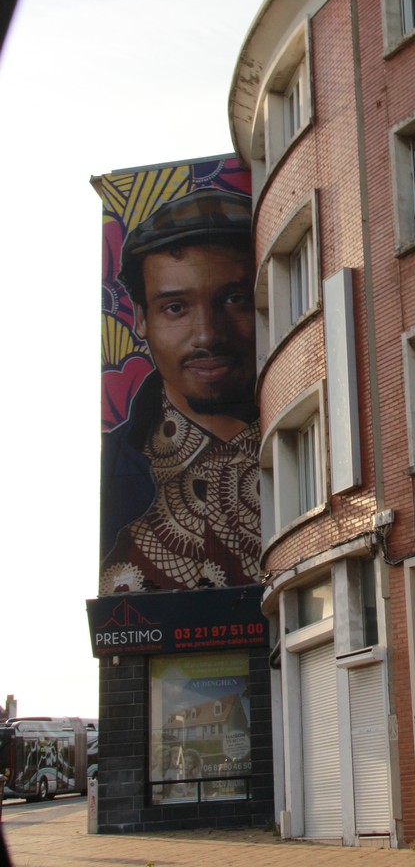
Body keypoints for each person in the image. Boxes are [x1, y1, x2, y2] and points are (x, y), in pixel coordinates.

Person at [99, 189, 260, 594]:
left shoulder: (318, 433)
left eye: (235, 299)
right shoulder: (122, 461)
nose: (207, 334)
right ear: (141, 319)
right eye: (175, 307)